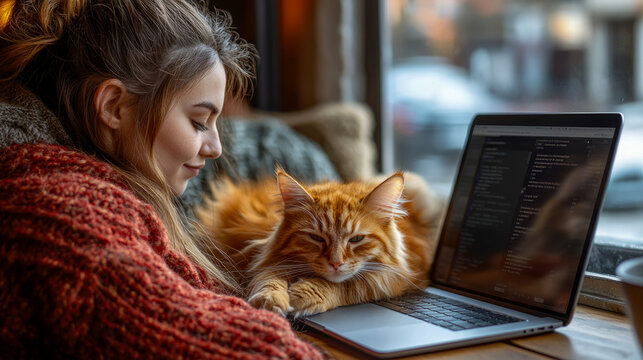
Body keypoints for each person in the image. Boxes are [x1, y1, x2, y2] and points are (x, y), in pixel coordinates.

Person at [0, 0, 325, 358]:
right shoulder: (65, 218)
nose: (216, 147)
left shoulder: (102, 174)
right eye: (200, 122)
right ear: (113, 107)